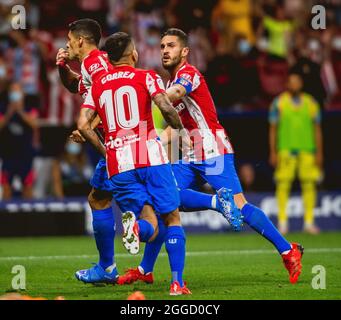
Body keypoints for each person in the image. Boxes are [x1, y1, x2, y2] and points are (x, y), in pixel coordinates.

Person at [118, 28, 304, 286]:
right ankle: (145, 270)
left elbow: (175, 95)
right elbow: (175, 128)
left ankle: (287, 250)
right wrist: (149, 142)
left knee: (240, 206)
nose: (164, 50)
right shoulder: (169, 83)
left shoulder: (188, 75)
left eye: (170, 45)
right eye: (162, 47)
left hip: (213, 150)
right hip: (190, 153)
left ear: (184, 51)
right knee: (166, 203)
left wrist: (145, 96)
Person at [78, 32, 191, 295]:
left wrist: (106, 151)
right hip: (150, 155)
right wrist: (180, 129)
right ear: (133, 54)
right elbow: (164, 105)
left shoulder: (98, 85)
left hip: (119, 163)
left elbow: (83, 125)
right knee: (172, 217)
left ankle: (135, 227)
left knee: (149, 222)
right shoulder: (147, 76)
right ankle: (177, 284)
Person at [56, 19, 118, 284]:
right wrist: (61, 67)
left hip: (118, 140)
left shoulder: (95, 62)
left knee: (107, 200)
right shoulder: (93, 64)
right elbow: (75, 86)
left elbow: (110, 96)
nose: (67, 43)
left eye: (70, 39)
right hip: (118, 137)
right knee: (101, 198)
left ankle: (107, 268)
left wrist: (87, 126)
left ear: (80, 40)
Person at [269, 71, 323, 235]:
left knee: (309, 184)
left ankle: (308, 222)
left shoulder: (311, 103)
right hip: (285, 149)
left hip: (307, 149)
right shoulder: (279, 103)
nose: (294, 85)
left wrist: (319, 152)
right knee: (283, 184)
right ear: (287, 84)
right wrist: (273, 151)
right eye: (291, 82)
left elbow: (317, 129)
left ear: (301, 84)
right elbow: (273, 129)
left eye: (297, 81)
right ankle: (283, 222)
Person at [0, 82, 38, 199]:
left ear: (23, 94)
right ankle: (5, 216)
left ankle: (29, 215)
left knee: (27, 186)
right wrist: (9, 112)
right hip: (8, 155)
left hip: (25, 155)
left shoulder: (30, 108)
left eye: (17, 91)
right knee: (6, 186)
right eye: (13, 91)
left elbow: (34, 123)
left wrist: (20, 111)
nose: (15, 94)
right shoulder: (3, 108)